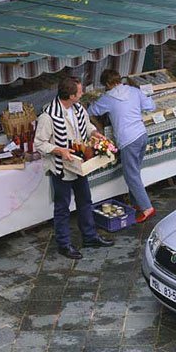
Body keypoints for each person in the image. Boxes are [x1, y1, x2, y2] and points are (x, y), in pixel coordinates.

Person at [34, 76, 115, 259]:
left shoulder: (78, 108)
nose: (82, 94)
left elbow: (86, 125)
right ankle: (64, 244)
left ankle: (90, 237)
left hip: (80, 165)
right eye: (79, 92)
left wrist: (95, 133)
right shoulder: (48, 116)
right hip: (61, 168)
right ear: (70, 95)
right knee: (62, 207)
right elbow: (39, 143)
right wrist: (59, 150)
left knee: (85, 201)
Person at [88, 69, 157, 223]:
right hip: (141, 134)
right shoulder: (133, 91)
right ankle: (136, 203)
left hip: (128, 139)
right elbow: (151, 106)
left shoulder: (108, 98)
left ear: (107, 84)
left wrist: (98, 123)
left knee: (131, 175)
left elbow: (90, 111)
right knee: (135, 172)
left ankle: (147, 208)